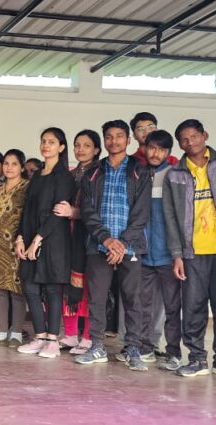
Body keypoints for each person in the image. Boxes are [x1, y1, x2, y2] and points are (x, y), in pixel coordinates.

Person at [73, 120, 151, 370]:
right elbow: (87, 211)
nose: (114, 141)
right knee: (96, 299)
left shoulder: (139, 171)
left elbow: (142, 212)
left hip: (131, 247)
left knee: (133, 300)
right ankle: (97, 347)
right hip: (98, 246)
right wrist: (106, 240)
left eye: (119, 136)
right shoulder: (93, 173)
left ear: (128, 140)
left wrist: (122, 243)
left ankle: (133, 348)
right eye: (109, 136)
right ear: (104, 141)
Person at [164, 119, 216, 378]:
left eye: (194, 136)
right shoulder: (175, 174)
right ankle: (196, 358)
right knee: (193, 307)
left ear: (204, 135)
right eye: (184, 140)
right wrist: (177, 255)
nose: (190, 142)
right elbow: (170, 217)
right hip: (192, 252)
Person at [15, 130, 76, 359]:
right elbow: (26, 210)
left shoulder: (64, 177)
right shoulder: (37, 176)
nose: (46, 145)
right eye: (43, 141)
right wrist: (21, 238)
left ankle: (52, 340)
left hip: (53, 240)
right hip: (31, 237)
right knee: (30, 287)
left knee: (52, 290)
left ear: (61, 147)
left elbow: (58, 213)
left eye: (51, 142)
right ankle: (39, 336)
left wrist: (37, 240)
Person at [137, 130, 182, 370]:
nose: (156, 153)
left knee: (172, 308)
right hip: (144, 255)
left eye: (161, 149)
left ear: (168, 153)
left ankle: (173, 352)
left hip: (168, 256)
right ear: (145, 148)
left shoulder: (174, 175)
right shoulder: (139, 174)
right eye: (152, 148)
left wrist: (178, 254)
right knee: (143, 305)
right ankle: (145, 347)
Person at [54, 130, 100, 355]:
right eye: (77, 145)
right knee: (68, 284)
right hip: (68, 237)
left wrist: (75, 212)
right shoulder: (69, 175)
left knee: (91, 288)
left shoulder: (100, 174)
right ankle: (71, 335)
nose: (80, 149)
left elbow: (99, 210)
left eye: (87, 145)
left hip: (90, 237)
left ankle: (88, 338)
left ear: (97, 150)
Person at [0, 149, 29, 348]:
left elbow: (29, 217)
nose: (9, 167)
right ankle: (1, 332)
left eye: (14, 164)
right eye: (6, 163)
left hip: (16, 245)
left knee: (16, 290)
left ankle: (16, 333)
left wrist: (23, 239)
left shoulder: (27, 188)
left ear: (22, 167)